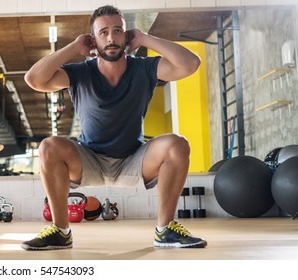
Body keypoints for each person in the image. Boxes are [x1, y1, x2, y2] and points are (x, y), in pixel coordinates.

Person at [21, 5, 207, 250]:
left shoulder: (144, 68)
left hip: (133, 160)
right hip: (89, 160)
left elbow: (191, 64)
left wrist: (144, 38)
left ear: (125, 35)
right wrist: (74, 47)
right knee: (49, 146)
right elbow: (33, 79)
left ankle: (165, 230)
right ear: (93, 39)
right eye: (103, 32)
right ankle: (60, 230)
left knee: (177, 144)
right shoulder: (79, 73)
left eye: (117, 30)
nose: (111, 38)